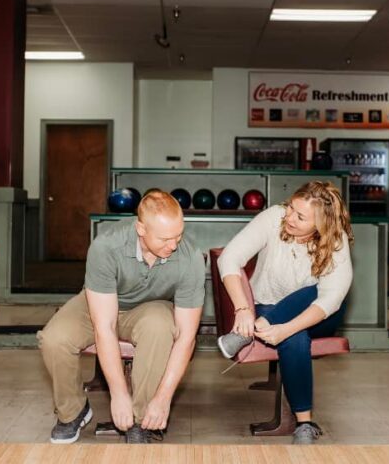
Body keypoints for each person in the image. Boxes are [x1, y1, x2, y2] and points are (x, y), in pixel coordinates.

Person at [38, 190, 205, 444]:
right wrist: (118, 393)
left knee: (160, 326)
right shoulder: (107, 247)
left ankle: (142, 420)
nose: (173, 245)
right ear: (141, 229)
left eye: (178, 235)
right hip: (100, 302)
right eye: (164, 239)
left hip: (148, 307)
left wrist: (163, 398)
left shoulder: (189, 257)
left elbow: (187, 337)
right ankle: (73, 411)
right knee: (54, 339)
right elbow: (103, 326)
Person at [215, 180, 353, 445]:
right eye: (291, 208)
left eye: (300, 217)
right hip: (266, 305)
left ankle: (255, 330)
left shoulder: (336, 240)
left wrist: (281, 328)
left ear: (320, 225)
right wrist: (243, 310)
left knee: (313, 294)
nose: (289, 217)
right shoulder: (274, 218)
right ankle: (305, 424)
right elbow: (229, 257)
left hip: (319, 314)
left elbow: (330, 299)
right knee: (296, 338)